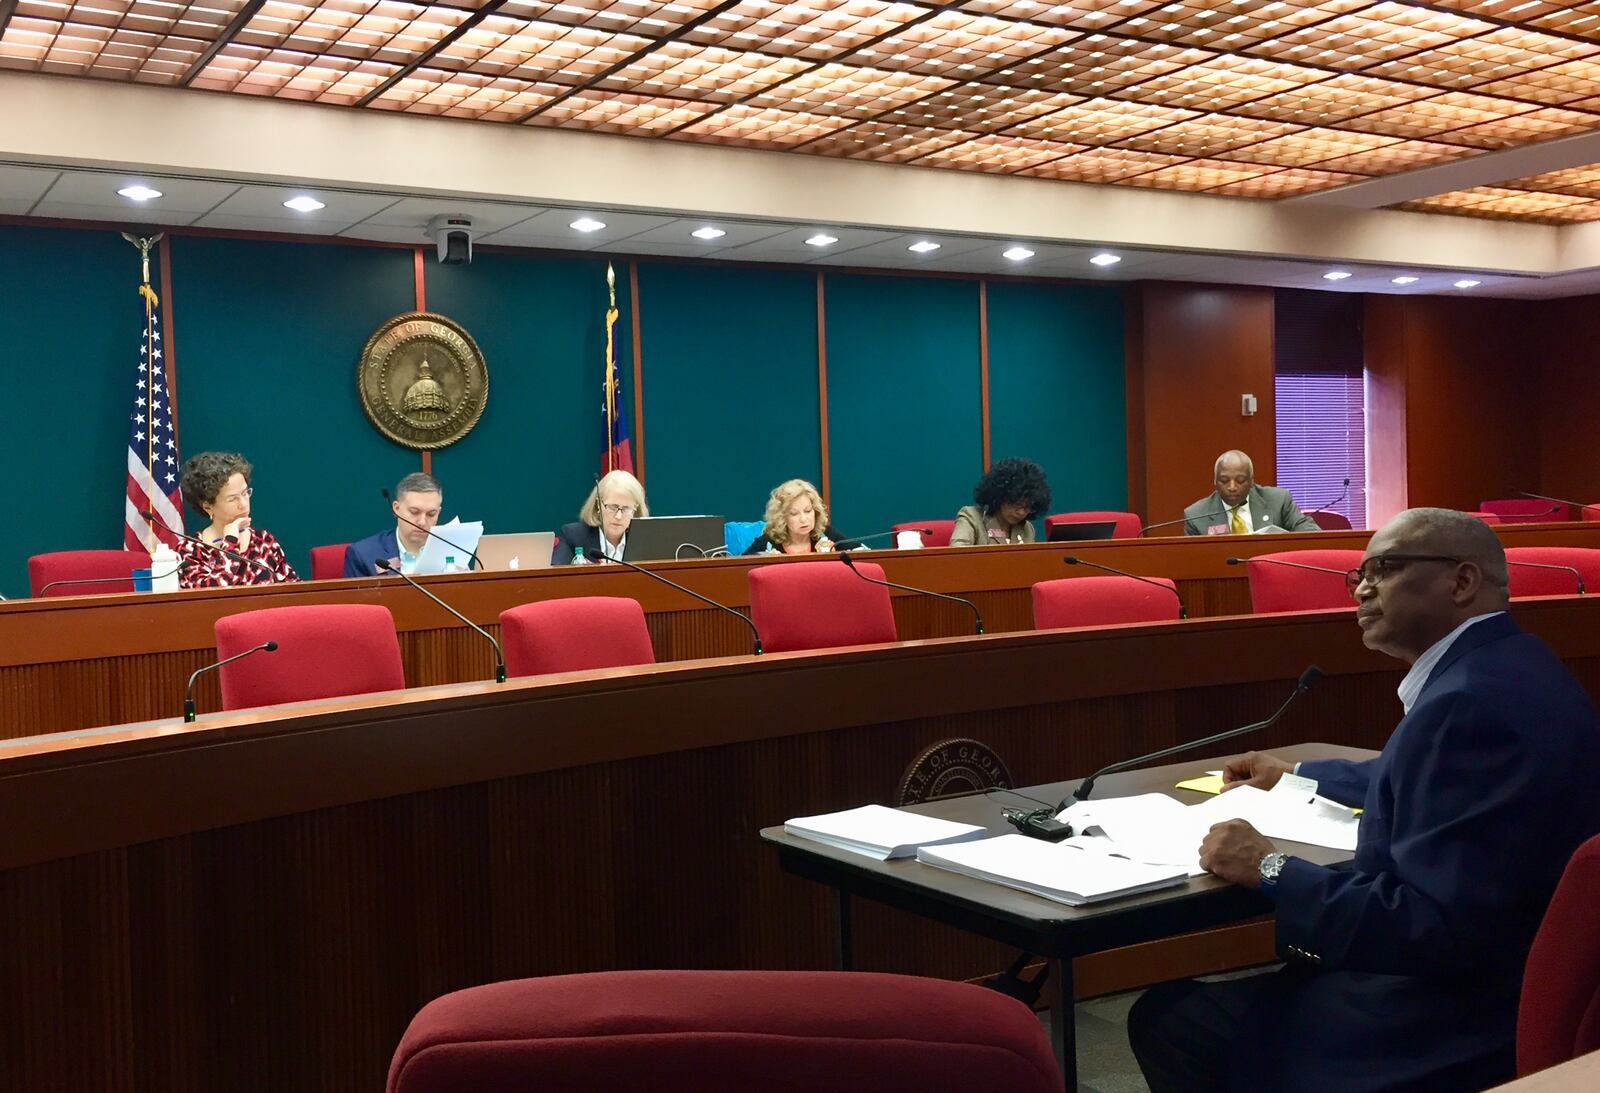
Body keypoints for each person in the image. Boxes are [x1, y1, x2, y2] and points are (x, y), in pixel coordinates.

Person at [1127, 507, 1600, 1093]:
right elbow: (1418, 776)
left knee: (1170, 1018)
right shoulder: (1514, 665)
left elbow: (1434, 928)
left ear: (1461, 581)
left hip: (1448, 1020)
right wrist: (1295, 775)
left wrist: (1271, 869)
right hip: (1512, 981)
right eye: (1359, 575)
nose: (1363, 588)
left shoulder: (1465, 706)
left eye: (1386, 568)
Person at [175, 451, 299, 588]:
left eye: (245, 493)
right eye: (232, 499)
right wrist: (230, 542)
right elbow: (210, 597)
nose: (244, 504)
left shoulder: (264, 541)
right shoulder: (190, 550)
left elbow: (295, 592)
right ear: (208, 507)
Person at [1184, 450, 1318, 535]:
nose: (1232, 487)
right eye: (1224, 480)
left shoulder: (1278, 501)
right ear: (1215, 480)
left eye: (1240, 480)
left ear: (1251, 481)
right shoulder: (1196, 516)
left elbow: (1311, 533)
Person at [344, 472, 444, 577]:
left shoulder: (454, 550)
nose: (422, 522)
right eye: (414, 512)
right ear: (396, 509)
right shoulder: (363, 555)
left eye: (431, 514)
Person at [949, 457, 1050, 546]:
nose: (1021, 512)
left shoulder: (1027, 528)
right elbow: (957, 552)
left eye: (1028, 507)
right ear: (1000, 497)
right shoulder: (972, 517)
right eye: (1017, 504)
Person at [553, 470, 648, 565]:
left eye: (626, 509)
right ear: (598, 505)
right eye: (612, 507)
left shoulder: (645, 541)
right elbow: (555, 574)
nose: (618, 516)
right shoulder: (573, 536)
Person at [744, 479, 840, 555]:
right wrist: (766, 560)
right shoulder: (769, 541)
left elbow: (854, 551)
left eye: (808, 511)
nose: (803, 519)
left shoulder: (826, 534)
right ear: (782, 518)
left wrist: (835, 555)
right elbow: (742, 566)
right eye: (794, 514)